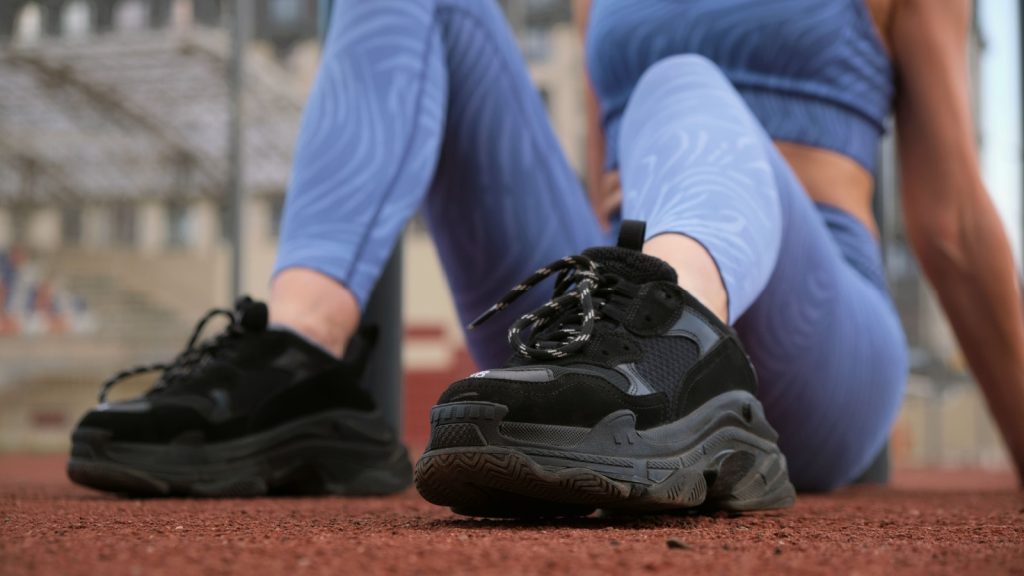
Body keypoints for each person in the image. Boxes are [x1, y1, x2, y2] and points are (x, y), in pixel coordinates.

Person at [68, 0, 1024, 515]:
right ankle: (301, 352)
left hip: (818, 340)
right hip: (615, 315)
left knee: (680, 79)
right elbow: (597, 173)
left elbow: (950, 223)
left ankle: (676, 345)